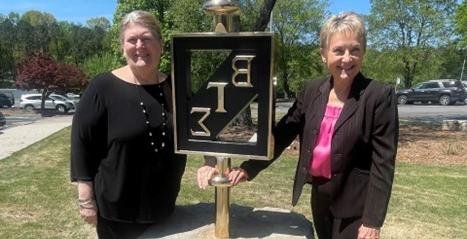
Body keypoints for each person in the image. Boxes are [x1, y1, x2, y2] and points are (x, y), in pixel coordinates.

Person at [198, 12, 398, 239]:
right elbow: (283, 133)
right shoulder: (311, 90)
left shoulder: (379, 96)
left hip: (356, 206)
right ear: (324, 54)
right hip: (320, 198)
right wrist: (248, 167)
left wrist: (372, 221)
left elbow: (383, 163)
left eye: (355, 50)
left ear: (363, 52)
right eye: (338, 50)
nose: (347, 58)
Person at [71, 10, 186, 239]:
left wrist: (210, 160)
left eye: (147, 38)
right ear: (122, 46)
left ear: (161, 45)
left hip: (164, 209)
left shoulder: (177, 87)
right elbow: (82, 143)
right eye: (132, 39)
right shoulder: (103, 87)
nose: (140, 45)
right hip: (116, 215)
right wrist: (85, 200)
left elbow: (198, 129)